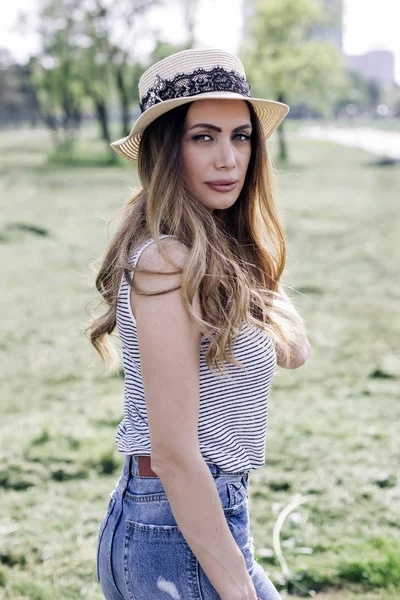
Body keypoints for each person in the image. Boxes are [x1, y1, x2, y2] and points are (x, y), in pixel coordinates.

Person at [87, 48, 310, 600]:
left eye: (241, 137)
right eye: (204, 137)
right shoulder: (167, 260)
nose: (229, 159)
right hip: (173, 527)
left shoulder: (216, 253)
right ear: (167, 150)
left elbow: (294, 349)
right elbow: (174, 454)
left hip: (210, 515)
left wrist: (243, 244)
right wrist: (237, 589)